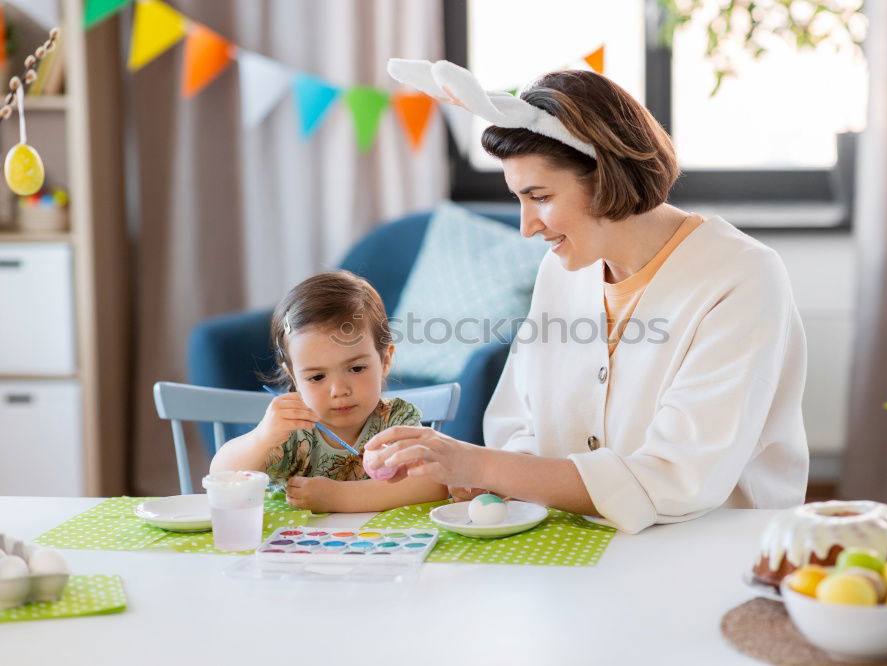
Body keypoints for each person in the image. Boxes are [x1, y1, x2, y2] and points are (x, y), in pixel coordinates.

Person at [364, 61, 809, 534]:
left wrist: (477, 465)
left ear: (606, 176)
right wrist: (467, 473)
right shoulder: (561, 271)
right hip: (576, 540)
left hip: (712, 547)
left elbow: (679, 478)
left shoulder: (740, 278)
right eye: (519, 199)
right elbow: (519, 424)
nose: (526, 226)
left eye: (539, 196)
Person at [210, 270, 448, 512]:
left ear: (385, 361)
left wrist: (338, 497)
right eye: (317, 377)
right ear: (294, 377)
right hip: (298, 547)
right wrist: (261, 438)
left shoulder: (395, 421)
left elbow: (434, 484)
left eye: (356, 368)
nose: (339, 390)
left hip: (382, 546)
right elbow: (223, 478)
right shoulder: (291, 432)